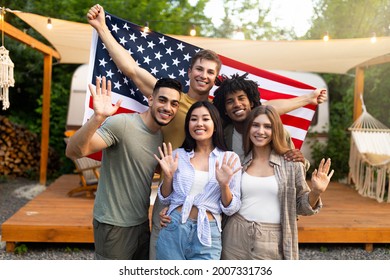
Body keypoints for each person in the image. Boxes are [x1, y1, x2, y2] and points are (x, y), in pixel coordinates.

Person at [87, 4, 329, 259]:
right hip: (171, 194)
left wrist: (307, 98)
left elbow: (265, 109)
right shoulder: (170, 99)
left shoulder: (216, 112)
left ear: (215, 79)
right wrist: (102, 27)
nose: (203, 75)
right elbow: (132, 70)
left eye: (210, 72)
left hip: (209, 199)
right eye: (199, 69)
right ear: (190, 71)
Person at [65, 76, 182, 260]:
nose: (168, 108)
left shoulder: (160, 138)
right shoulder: (122, 124)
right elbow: (73, 151)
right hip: (113, 224)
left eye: (174, 104)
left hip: (141, 223)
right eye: (162, 100)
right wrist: (97, 119)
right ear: (150, 99)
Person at [220, 105, 334, 260]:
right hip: (234, 235)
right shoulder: (238, 162)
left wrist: (316, 192)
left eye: (268, 126)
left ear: (276, 131)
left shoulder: (291, 163)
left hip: (272, 239)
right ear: (248, 129)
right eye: (255, 125)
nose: (260, 131)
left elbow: (302, 207)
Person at [154, 101, 242, 260]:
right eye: (193, 119)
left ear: (215, 125)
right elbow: (165, 198)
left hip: (208, 231)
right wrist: (167, 177)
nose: (199, 123)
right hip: (174, 227)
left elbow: (231, 208)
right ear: (188, 125)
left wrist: (224, 185)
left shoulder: (229, 158)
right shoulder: (177, 155)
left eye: (205, 119)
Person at [212, 73, 325, 164]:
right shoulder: (221, 136)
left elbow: (297, 166)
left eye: (241, 98)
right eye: (230, 101)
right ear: (225, 110)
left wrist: (299, 160)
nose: (237, 104)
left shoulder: (274, 131)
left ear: (251, 103)